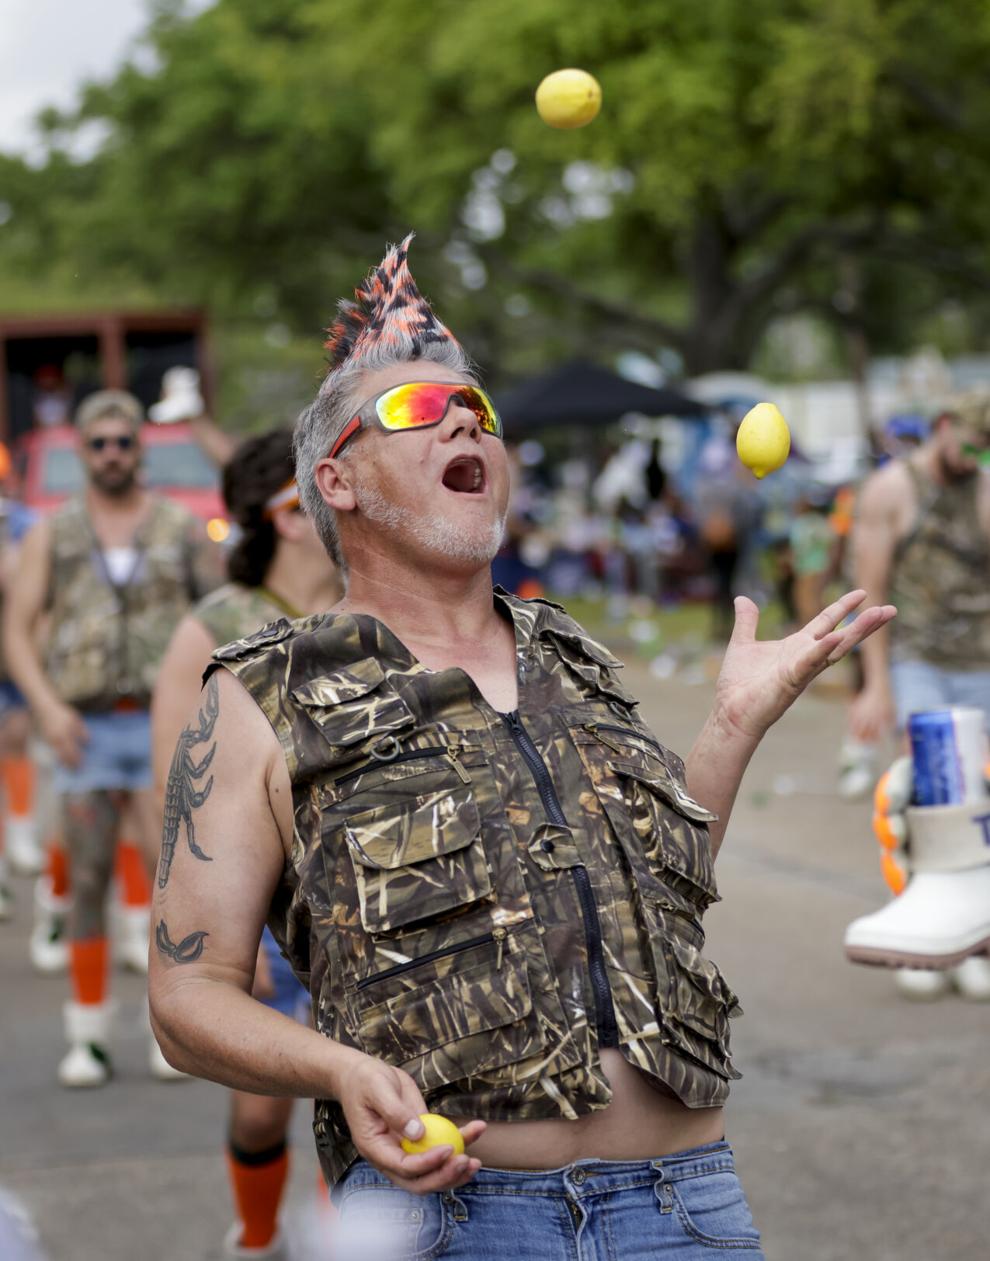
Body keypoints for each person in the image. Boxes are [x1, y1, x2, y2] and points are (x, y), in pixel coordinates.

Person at [149, 237, 893, 1259]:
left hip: (687, 1207)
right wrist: (336, 1070)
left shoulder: (571, 652)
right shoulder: (262, 692)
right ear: (340, 480)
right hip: (453, 1223)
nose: (467, 417)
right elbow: (186, 997)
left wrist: (734, 725)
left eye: (481, 411)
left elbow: (665, 892)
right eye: (419, 409)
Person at [151, 428, 342, 1260]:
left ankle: (348, 1241)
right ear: (284, 514)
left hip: (361, 906)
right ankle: (257, 1240)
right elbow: (176, 788)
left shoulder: (369, 602)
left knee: (367, 1096)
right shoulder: (215, 626)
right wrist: (227, 934)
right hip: (260, 909)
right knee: (264, 1106)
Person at [4, 389, 223, 1086]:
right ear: (82, 451)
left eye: (123, 442)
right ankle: (87, 1032)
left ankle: (172, 1031)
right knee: (90, 874)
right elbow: (16, 625)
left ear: (139, 448)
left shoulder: (179, 527)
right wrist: (45, 706)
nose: (112, 454)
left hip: (164, 728)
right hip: (88, 727)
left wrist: (206, 709)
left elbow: (221, 617)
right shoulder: (54, 531)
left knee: (171, 885)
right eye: (98, 443)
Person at [850, 390, 990, 999]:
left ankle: (970, 932)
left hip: (980, 661)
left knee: (979, 798)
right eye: (970, 442)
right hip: (917, 662)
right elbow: (869, 591)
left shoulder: (983, 488)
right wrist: (875, 684)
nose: (975, 455)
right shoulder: (890, 490)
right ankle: (921, 921)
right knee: (930, 793)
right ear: (942, 427)